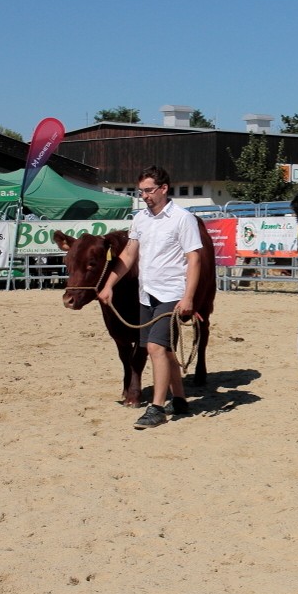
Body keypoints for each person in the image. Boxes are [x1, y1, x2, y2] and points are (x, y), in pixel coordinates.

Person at [97, 166, 204, 430]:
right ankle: (179, 399)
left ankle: (156, 408)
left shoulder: (182, 218)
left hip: (172, 294)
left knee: (155, 348)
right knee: (164, 350)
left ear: (164, 189)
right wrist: (109, 284)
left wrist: (188, 297)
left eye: (149, 190)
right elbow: (128, 255)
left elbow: (194, 258)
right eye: (141, 191)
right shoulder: (140, 219)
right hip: (147, 294)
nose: (144, 195)